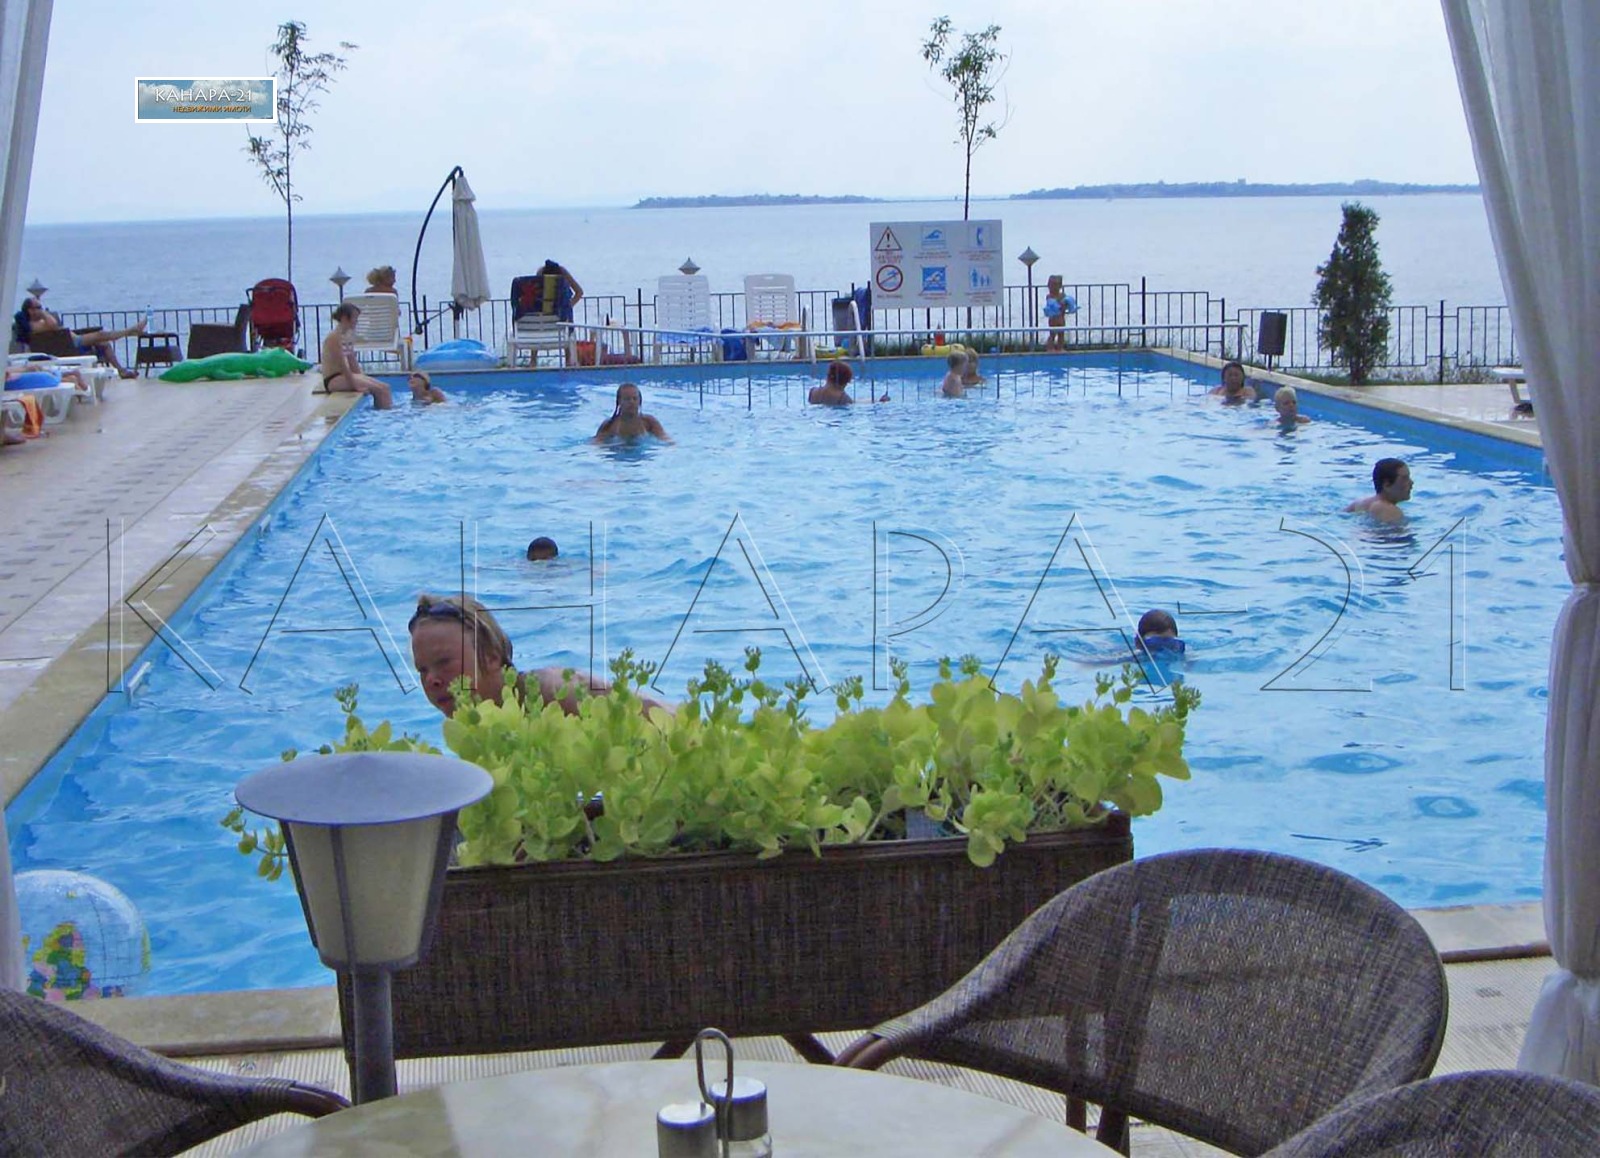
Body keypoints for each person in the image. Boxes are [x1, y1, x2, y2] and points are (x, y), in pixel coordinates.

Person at [408, 592, 666, 718]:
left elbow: (663, 721)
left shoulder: (554, 692)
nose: (431, 680)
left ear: (491, 656)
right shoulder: (475, 723)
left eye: (444, 662)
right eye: (422, 670)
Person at [12, 297, 146, 378]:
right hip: (71, 345)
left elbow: (53, 325)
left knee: (104, 343)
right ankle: (131, 331)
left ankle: (121, 371)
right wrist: (45, 313)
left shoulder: (36, 323)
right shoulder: (33, 326)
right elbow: (53, 324)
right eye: (38, 307)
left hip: (71, 341)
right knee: (101, 335)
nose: (41, 309)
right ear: (30, 310)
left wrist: (42, 313)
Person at [320, 302, 393, 409]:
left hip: (343, 376)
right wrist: (355, 385)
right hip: (333, 379)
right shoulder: (333, 338)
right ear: (345, 318)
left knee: (385, 387)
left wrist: (362, 377)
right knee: (379, 390)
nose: (357, 321)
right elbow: (342, 365)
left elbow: (351, 360)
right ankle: (384, 413)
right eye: (355, 318)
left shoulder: (346, 336)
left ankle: (385, 413)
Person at [593, 382, 670, 442]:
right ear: (619, 401)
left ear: (640, 401)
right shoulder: (609, 425)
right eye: (627, 399)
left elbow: (666, 440)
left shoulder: (649, 422)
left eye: (635, 398)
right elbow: (596, 445)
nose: (631, 402)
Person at [1346, 457, 1413, 524]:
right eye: (1404, 479)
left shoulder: (1358, 504)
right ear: (1386, 485)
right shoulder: (1389, 510)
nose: (1411, 482)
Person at [1044, 275, 1069, 352]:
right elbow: (1051, 304)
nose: (1053, 288)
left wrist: (1065, 304)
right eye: (1052, 285)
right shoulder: (1049, 296)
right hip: (1053, 319)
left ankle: (1060, 348)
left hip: (1061, 317)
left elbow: (1066, 306)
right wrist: (1060, 302)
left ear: (1060, 286)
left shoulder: (1063, 295)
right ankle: (1050, 348)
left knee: (1061, 334)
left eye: (1056, 285)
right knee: (1052, 334)